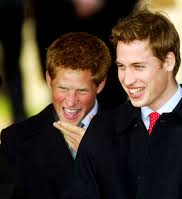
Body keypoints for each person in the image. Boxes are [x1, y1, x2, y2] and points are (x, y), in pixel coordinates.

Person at [65, 8, 182, 199]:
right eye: (122, 66)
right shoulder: (101, 129)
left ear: (168, 62)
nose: (127, 79)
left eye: (139, 67)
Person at [0, 32, 111, 199]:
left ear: (100, 84)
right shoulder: (16, 140)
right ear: (48, 79)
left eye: (81, 90)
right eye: (63, 89)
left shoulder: (132, 130)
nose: (71, 102)